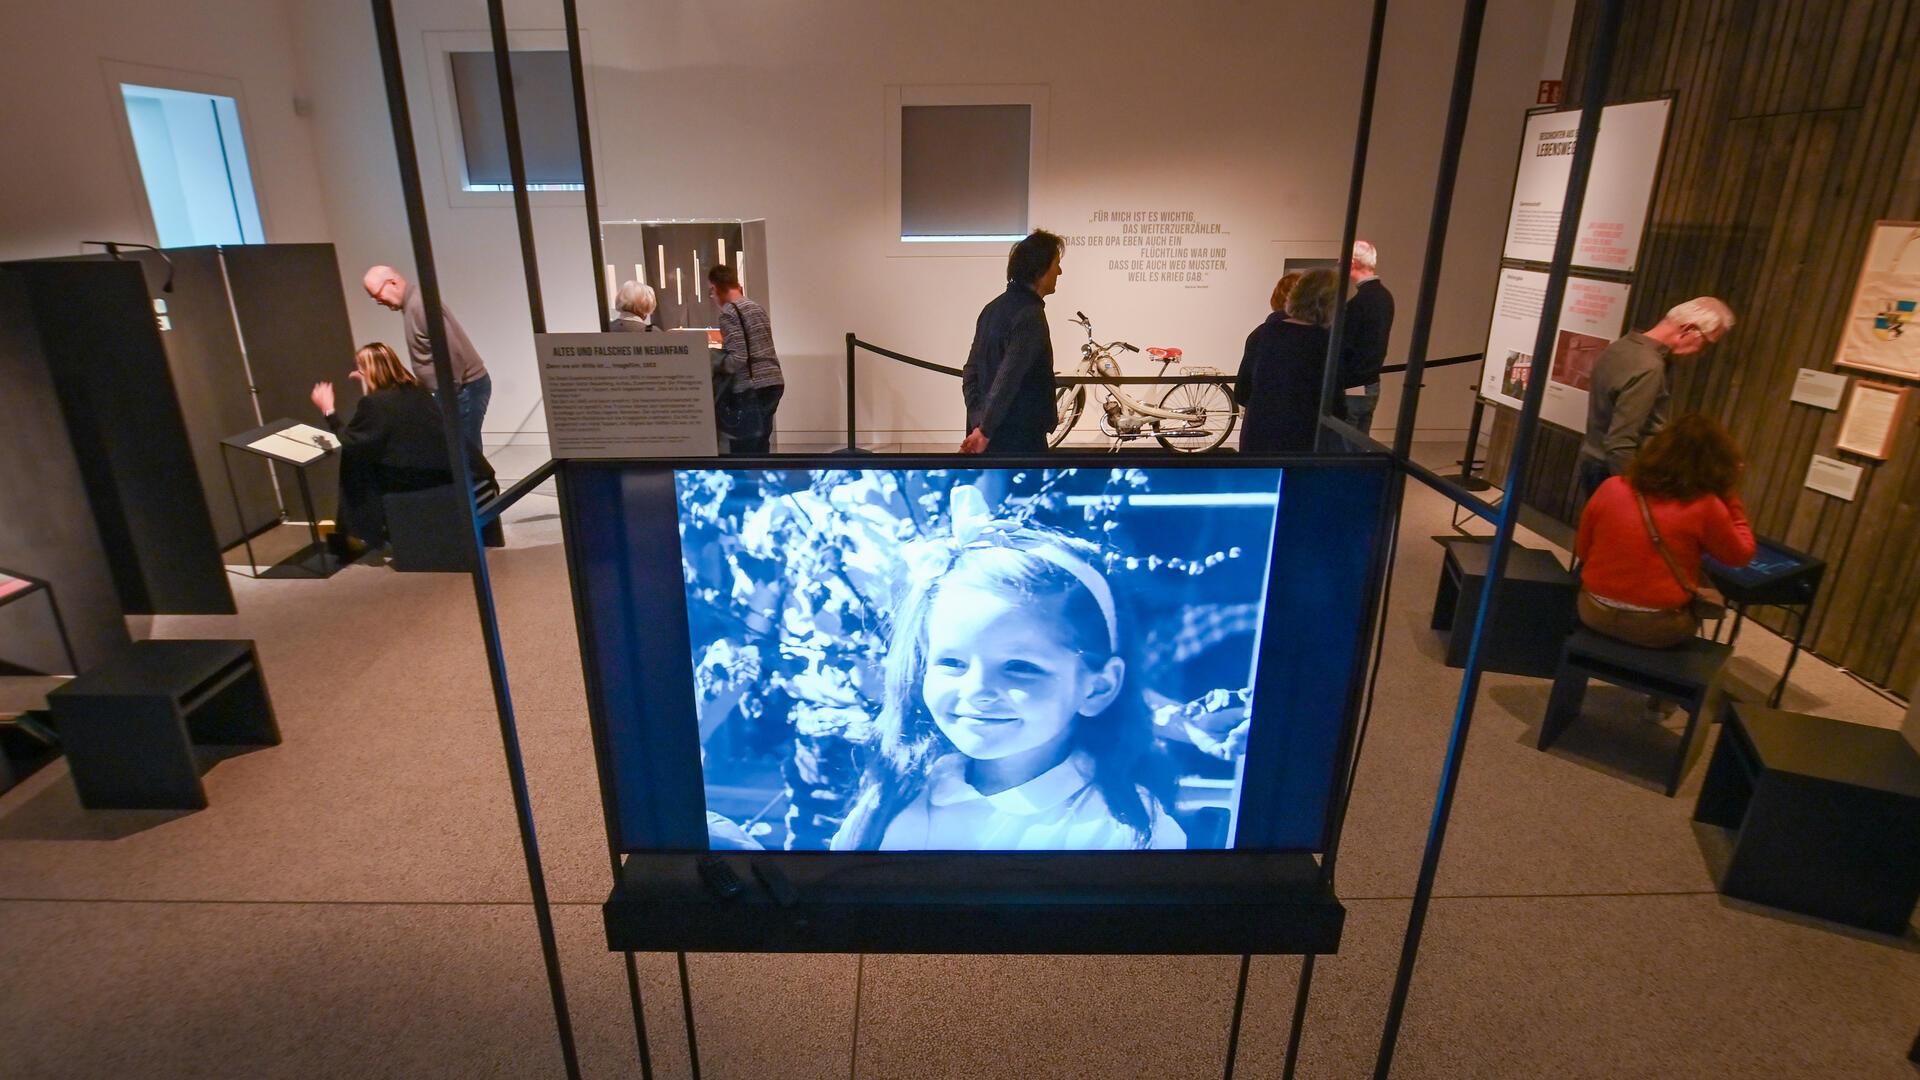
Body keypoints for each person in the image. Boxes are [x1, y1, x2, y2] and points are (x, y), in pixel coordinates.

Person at [831, 517, 1184, 851]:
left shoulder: (1126, 829)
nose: (977, 690)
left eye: (1020, 667)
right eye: (952, 662)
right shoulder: (892, 801)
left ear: (1098, 687)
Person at [1575, 413, 1755, 649]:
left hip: (1593, 611)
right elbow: (1741, 555)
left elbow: (1583, 550)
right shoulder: (1706, 506)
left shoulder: (1612, 487)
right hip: (1657, 628)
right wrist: (1730, 497)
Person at [308, 342, 495, 554]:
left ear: (370, 370)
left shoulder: (375, 403)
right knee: (362, 461)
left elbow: (350, 440)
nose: (356, 373)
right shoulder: (417, 390)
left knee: (355, 464)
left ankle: (357, 534)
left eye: (360, 368)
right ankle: (362, 532)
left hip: (422, 477)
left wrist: (328, 411)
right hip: (457, 468)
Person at [1579, 296, 1736, 501]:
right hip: (1613, 472)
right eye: (1706, 343)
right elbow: (1621, 442)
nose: (1702, 353)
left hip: (1593, 461)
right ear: (1688, 329)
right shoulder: (1649, 366)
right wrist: (1634, 498)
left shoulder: (1621, 346)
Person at [362, 265, 491, 456]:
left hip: (463, 389)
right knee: (459, 451)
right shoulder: (412, 306)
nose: (377, 301)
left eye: (376, 294)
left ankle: (480, 485)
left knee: (465, 453)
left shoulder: (419, 306)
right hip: (455, 390)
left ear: (393, 282)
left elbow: (452, 351)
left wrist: (449, 393)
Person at [960, 230, 1065, 455]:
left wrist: (979, 421)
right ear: (1041, 268)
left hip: (988, 438)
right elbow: (1008, 377)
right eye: (1056, 263)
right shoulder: (1030, 315)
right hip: (1019, 440)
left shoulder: (991, 309)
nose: (1060, 271)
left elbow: (970, 373)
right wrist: (985, 430)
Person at [1235, 268, 1339, 452]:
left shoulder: (1262, 334)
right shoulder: (1325, 342)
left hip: (1259, 436)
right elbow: (1336, 406)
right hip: (1304, 441)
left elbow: (1242, 392)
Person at [708, 264, 783, 454]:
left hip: (751, 387)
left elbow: (738, 358)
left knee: (745, 448)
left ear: (716, 287)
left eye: (712, 291)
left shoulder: (729, 313)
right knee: (762, 441)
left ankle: (746, 482)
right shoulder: (755, 307)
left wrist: (714, 360)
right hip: (773, 382)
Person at [1339, 240, 1395, 436]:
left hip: (1353, 383)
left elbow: (1347, 346)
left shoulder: (1359, 302)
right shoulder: (1384, 297)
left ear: (1353, 262)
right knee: (1360, 441)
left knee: (1345, 443)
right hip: (1371, 381)